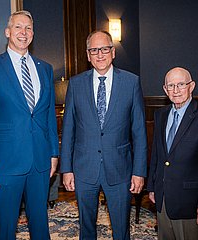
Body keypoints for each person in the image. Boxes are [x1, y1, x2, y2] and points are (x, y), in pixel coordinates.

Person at [0, 10, 59, 239]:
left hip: (40, 160)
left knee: (41, 224)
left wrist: (54, 153)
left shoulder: (45, 68)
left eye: (29, 28)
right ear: (8, 32)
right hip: (6, 164)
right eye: (19, 27)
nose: (24, 32)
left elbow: (49, 115)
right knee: (7, 228)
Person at [60, 30, 147, 239]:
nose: (100, 54)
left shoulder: (131, 82)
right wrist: (66, 169)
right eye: (94, 50)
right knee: (86, 228)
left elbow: (139, 132)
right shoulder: (76, 84)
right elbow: (69, 129)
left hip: (119, 169)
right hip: (83, 169)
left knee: (121, 229)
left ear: (113, 52)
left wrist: (139, 171)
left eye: (104, 49)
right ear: (88, 55)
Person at [147, 67, 198, 240]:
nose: (175, 90)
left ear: (192, 86)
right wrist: (152, 186)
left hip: (190, 202)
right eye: (171, 86)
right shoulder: (160, 115)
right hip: (163, 197)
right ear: (165, 89)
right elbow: (158, 155)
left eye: (181, 84)